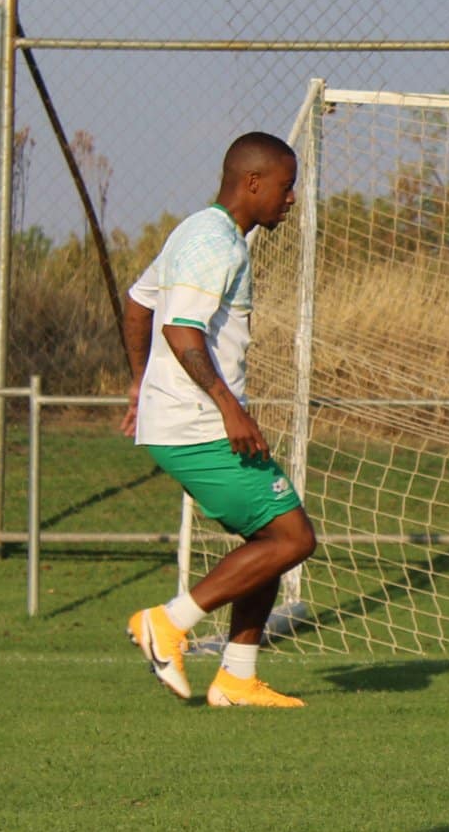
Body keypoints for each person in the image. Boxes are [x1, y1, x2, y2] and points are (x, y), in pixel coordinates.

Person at [119, 131, 318, 708]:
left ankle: (235, 677)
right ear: (252, 182)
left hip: (182, 417)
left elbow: (139, 303)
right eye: (285, 186)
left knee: (270, 537)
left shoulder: (196, 230)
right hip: (199, 423)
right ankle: (168, 622)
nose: (290, 198)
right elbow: (181, 329)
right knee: (291, 537)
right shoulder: (217, 244)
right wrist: (231, 410)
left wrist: (140, 382)